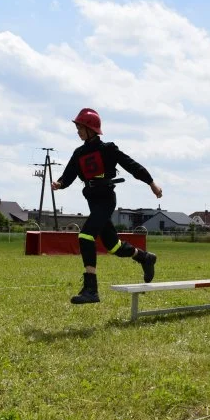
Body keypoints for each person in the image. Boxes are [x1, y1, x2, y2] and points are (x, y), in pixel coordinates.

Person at [52, 108, 162, 304]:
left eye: (80, 128)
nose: (77, 131)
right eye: (77, 128)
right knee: (113, 246)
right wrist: (59, 183)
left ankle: (91, 290)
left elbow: (131, 165)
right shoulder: (79, 153)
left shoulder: (108, 149)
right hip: (92, 200)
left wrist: (151, 183)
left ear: (91, 129)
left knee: (85, 236)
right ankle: (145, 257)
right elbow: (68, 174)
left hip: (106, 198)